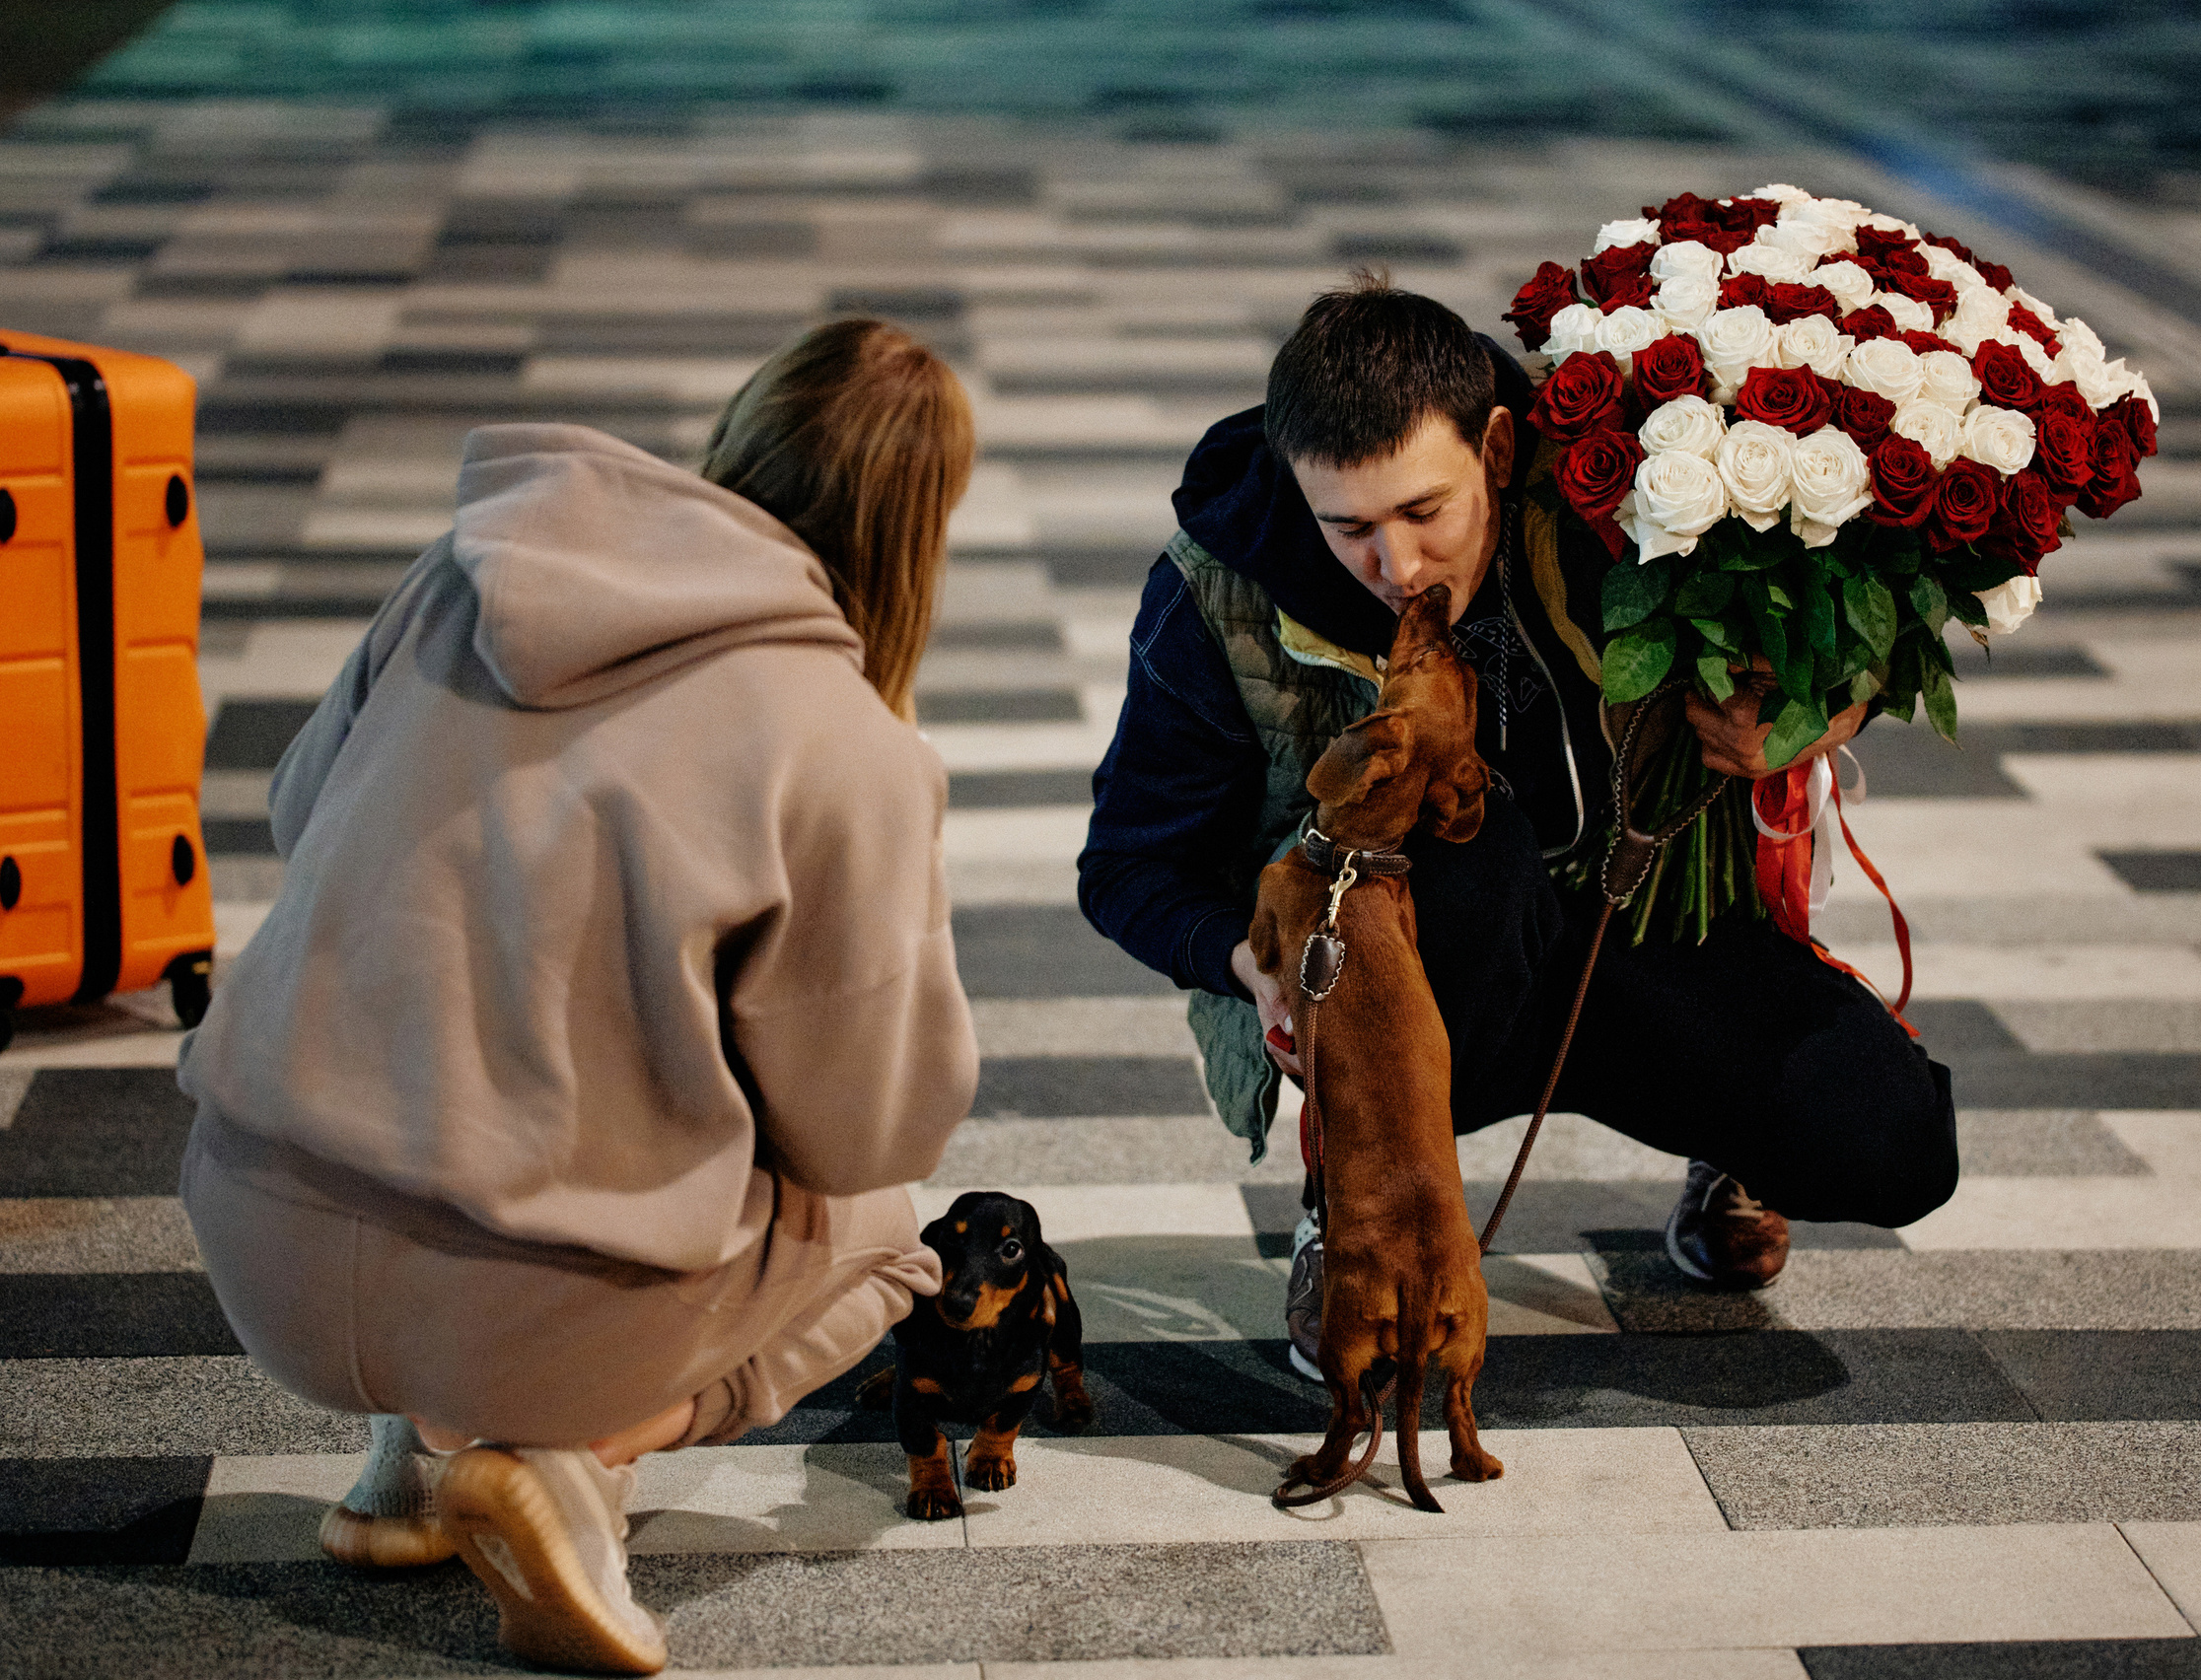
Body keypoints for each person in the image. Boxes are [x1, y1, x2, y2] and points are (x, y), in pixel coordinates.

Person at [178, 319, 978, 1674]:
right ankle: (576, 1460)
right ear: (920, 533)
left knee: (463, 1053)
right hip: (516, 1314)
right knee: (896, 1235)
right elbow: (863, 1131)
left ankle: (402, 1468)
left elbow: (300, 808)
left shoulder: (466, 577)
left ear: (740, 435)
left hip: (259, 1237)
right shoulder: (845, 743)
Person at [1077, 275, 1957, 1380]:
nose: (1396, 567)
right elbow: (1128, 868)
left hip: (1642, 923)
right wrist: (1249, 963)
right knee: (1461, 842)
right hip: (1425, 970)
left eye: (1423, 513)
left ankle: (1724, 1143)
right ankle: (1354, 1203)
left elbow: (1855, 612)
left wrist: (1820, 712)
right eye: (1347, 527)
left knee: (1891, 1144)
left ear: (1496, 449)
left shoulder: (1631, 486)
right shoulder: (1217, 593)